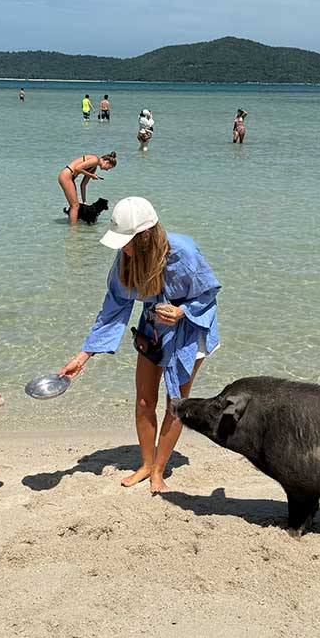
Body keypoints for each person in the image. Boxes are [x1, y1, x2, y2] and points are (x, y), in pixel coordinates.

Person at [60, 197, 220, 494]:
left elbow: (207, 295)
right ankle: (146, 464)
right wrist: (83, 356)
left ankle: (159, 470)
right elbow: (113, 307)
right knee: (145, 400)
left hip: (189, 328)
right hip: (153, 328)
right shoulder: (126, 258)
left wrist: (181, 312)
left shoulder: (183, 251)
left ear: (145, 237)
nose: (122, 248)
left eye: (127, 241)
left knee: (177, 403)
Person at [59, 151, 117, 225]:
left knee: (75, 205)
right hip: (66, 175)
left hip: (70, 177)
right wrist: (91, 175)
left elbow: (83, 185)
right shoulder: (95, 159)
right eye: (109, 167)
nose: (107, 170)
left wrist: (84, 202)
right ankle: (73, 230)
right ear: (106, 162)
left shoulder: (94, 167)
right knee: (75, 206)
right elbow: (77, 168)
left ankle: (73, 226)